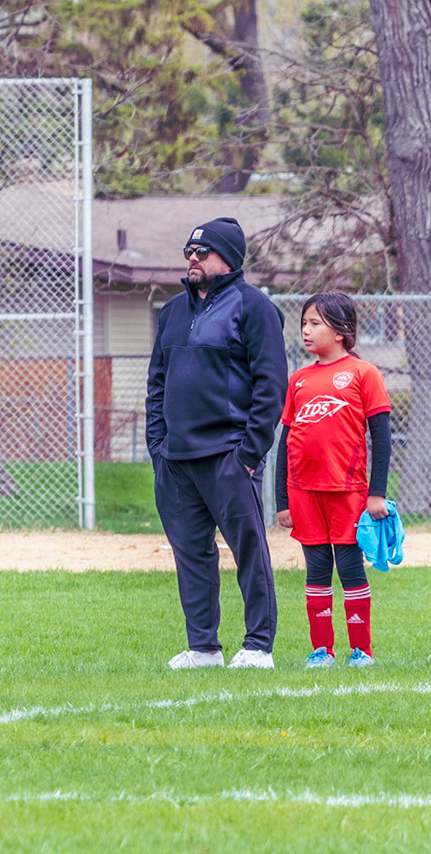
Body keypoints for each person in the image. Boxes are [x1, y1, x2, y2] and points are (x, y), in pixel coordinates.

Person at [146, 217, 289, 670]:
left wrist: (248, 454)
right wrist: (158, 447)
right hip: (176, 460)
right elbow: (156, 384)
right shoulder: (171, 313)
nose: (192, 257)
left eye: (202, 252)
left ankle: (258, 646)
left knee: (249, 551)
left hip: (229, 455)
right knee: (191, 555)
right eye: (189, 250)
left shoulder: (254, 308)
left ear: (227, 258)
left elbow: (271, 386)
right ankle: (203, 647)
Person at [274, 293, 393, 668]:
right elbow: (285, 442)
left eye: (315, 323)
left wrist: (377, 494)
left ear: (340, 330)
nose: (306, 330)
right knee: (316, 569)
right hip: (304, 493)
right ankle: (321, 650)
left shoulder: (364, 373)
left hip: (348, 492)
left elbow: (382, 437)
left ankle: (361, 651)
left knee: (350, 567)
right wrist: (282, 500)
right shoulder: (299, 379)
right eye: (304, 323)